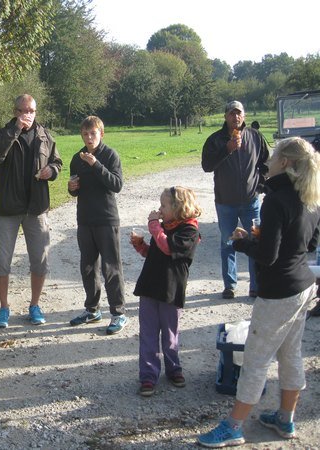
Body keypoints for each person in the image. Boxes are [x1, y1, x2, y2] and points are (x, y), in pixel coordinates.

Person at [198, 137, 320, 447]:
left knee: (255, 359)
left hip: (278, 292)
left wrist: (242, 242)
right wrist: (270, 237)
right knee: (291, 354)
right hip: (303, 287)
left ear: (286, 163)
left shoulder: (276, 201)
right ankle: (285, 419)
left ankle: (234, 426)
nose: (269, 159)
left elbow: (267, 257)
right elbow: (310, 244)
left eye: (276, 154)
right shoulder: (311, 196)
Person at [0, 94, 62, 328]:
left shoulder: (45, 135)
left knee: (40, 261)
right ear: (15, 111)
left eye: (31, 111)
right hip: (6, 208)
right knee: (1, 262)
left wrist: (52, 171)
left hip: (36, 207)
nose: (28, 114)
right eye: (23, 110)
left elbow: (57, 162)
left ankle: (35, 305)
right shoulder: (2, 133)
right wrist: (15, 130)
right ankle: (4, 308)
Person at [130, 186, 201, 396]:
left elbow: (168, 248)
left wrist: (153, 225)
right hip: (150, 286)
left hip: (171, 289)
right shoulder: (164, 227)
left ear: (178, 207)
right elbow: (156, 253)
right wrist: (141, 245)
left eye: (163, 205)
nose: (159, 210)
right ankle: (148, 376)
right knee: (148, 334)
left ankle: (173, 369)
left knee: (170, 334)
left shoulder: (189, 231)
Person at [67, 116, 128, 335]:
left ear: (101, 134)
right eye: (85, 134)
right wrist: (72, 187)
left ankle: (119, 313)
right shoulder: (77, 158)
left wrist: (96, 164)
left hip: (106, 219)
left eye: (93, 133)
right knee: (88, 268)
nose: (89, 138)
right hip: (85, 219)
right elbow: (75, 189)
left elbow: (117, 184)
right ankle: (92, 310)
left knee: (111, 268)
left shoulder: (110, 155)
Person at [202, 100, 269, 299]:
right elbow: (207, 166)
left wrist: (260, 185)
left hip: (251, 201)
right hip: (225, 203)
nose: (235, 117)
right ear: (225, 117)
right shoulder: (215, 140)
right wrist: (227, 149)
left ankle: (255, 286)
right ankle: (230, 285)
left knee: (255, 242)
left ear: (244, 116)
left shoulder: (255, 136)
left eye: (239, 113)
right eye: (231, 113)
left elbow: (266, 162)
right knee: (227, 243)